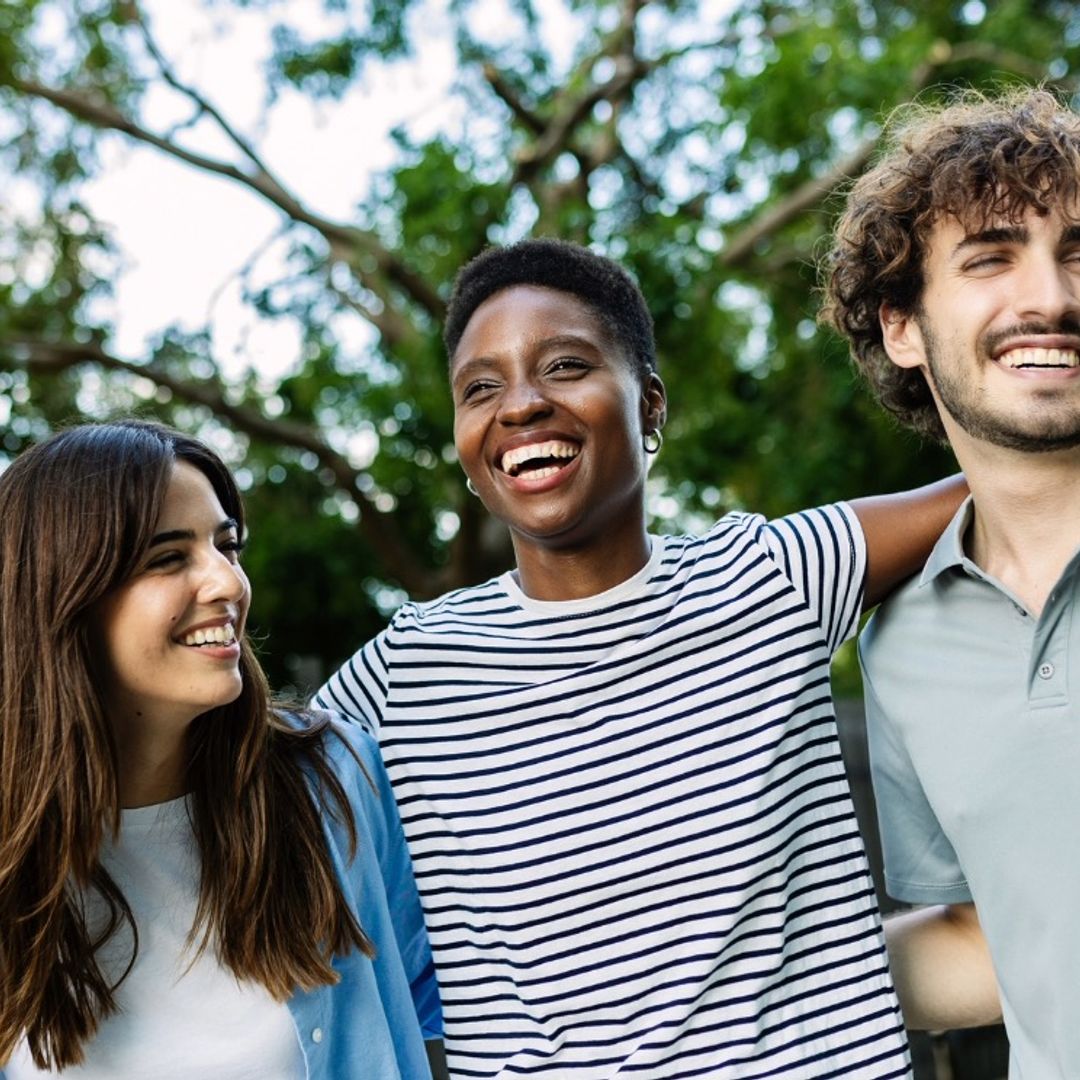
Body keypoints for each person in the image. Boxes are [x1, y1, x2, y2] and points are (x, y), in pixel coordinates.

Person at [314, 237, 968, 1078]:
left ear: (650, 404)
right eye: (481, 388)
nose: (520, 406)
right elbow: (207, 774)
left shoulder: (775, 577)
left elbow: (1006, 479)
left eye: (564, 366)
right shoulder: (408, 670)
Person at [0, 420, 443, 1079]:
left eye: (227, 546)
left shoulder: (336, 782)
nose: (230, 584)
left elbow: (434, 1018)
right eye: (168, 557)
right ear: (63, 597)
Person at [821, 85, 1080, 1077]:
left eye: (1077, 256)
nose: (1051, 297)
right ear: (902, 327)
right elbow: (991, 939)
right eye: (990, 258)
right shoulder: (900, 644)